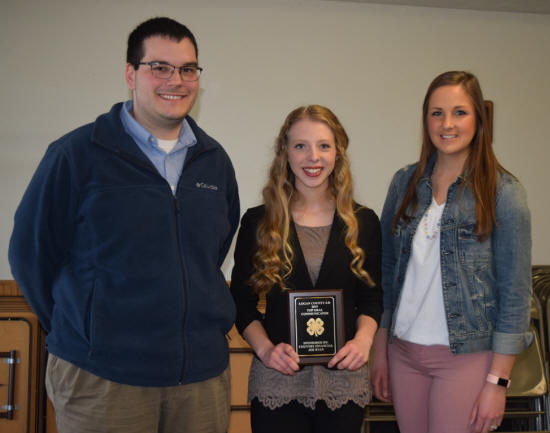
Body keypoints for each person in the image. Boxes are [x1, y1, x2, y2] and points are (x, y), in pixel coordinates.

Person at [9, 17, 239, 433]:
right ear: (131, 74)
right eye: (160, 67)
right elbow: (31, 255)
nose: (176, 80)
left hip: (201, 380)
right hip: (103, 379)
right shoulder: (76, 154)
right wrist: (84, 330)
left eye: (188, 69)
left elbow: (209, 254)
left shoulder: (215, 161)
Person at [370, 71, 532, 433]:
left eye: (460, 112)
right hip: (403, 353)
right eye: (436, 113)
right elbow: (386, 271)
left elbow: (515, 295)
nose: (447, 124)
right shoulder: (404, 182)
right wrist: (380, 349)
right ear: (425, 119)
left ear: (479, 119)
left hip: (467, 358)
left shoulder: (504, 193)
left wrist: (498, 383)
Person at [230, 105, 382, 433]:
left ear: (338, 153)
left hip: (343, 382)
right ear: (285, 153)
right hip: (277, 379)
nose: (313, 157)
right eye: (300, 145)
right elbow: (241, 302)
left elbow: (372, 298)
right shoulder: (258, 222)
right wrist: (266, 350)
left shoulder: (364, 222)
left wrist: (363, 342)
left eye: (324, 145)